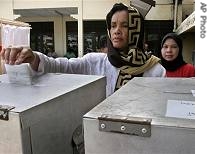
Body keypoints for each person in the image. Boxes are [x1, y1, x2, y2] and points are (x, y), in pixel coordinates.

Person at [0, 3, 166, 97]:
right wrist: (33, 57)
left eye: (125, 25)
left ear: (137, 30)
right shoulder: (96, 61)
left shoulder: (155, 70)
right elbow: (61, 66)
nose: (116, 31)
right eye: (113, 25)